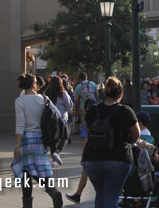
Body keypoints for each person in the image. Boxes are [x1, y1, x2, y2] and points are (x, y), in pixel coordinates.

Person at [82, 77, 140, 208]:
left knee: (101, 193)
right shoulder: (126, 111)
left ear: (105, 92)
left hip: (93, 158)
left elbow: (87, 130)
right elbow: (136, 134)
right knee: (111, 196)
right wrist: (128, 142)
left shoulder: (92, 110)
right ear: (120, 94)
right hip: (118, 157)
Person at [13, 73, 63, 208]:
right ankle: (52, 190)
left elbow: (20, 124)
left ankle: (27, 204)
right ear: (33, 84)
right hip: (39, 139)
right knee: (41, 169)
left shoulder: (19, 101)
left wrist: (17, 145)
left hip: (25, 139)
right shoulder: (42, 99)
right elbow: (58, 115)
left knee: (26, 173)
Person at [44, 76, 73, 165]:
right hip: (62, 119)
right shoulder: (63, 93)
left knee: (53, 138)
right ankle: (57, 152)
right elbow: (69, 106)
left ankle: (54, 158)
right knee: (65, 136)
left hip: (50, 119)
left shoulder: (46, 93)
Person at [65, 111, 90, 204]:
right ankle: (78, 195)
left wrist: (83, 157)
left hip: (92, 153)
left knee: (85, 172)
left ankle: (78, 194)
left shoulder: (87, 122)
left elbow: (85, 141)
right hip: (108, 153)